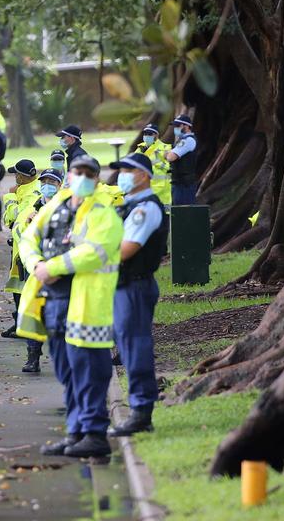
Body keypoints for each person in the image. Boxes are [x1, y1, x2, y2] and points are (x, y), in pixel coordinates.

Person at [17, 155, 123, 460]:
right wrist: (36, 263)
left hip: (87, 304)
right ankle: (76, 432)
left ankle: (94, 433)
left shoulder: (104, 213)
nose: (83, 177)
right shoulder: (54, 207)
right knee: (66, 371)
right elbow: (28, 238)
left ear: (97, 178)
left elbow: (96, 252)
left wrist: (53, 267)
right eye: (78, 172)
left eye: (89, 173)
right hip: (52, 301)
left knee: (90, 370)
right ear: (69, 175)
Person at [105, 153, 168, 437]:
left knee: (136, 347)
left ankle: (142, 411)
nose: (122, 175)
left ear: (143, 175)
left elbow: (126, 249)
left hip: (135, 286)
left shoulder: (146, 209)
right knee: (128, 346)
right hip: (124, 286)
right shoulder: (130, 206)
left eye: (128, 170)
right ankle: (139, 408)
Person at [1, 160, 45, 374]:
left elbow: (13, 220)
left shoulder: (25, 195)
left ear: (21, 177)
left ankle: (33, 351)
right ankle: (32, 351)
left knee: (32, 302)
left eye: (16, 175)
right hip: (29, 255)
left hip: (29, 256)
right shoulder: (36, 195)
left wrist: (9, 198)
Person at [166, 115, 199, 205]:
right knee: (177, 213)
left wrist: (168, 153)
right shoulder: (181, 140)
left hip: (184, 185)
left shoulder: (188, 140)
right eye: (175, 126)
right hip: (179, 183)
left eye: (178, 126)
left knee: (183, 214)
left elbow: (170, 157)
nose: (175, 128)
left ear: (187, 126)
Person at [134, 123, 171, 203]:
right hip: (144, 186)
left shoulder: (165, 148)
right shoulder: (140, 148)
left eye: (150, 134)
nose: (147, 136)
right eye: (145, 134)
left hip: (162, 189)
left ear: (156, 135)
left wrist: (155, 162)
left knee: (165, 212)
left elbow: (170, 167)